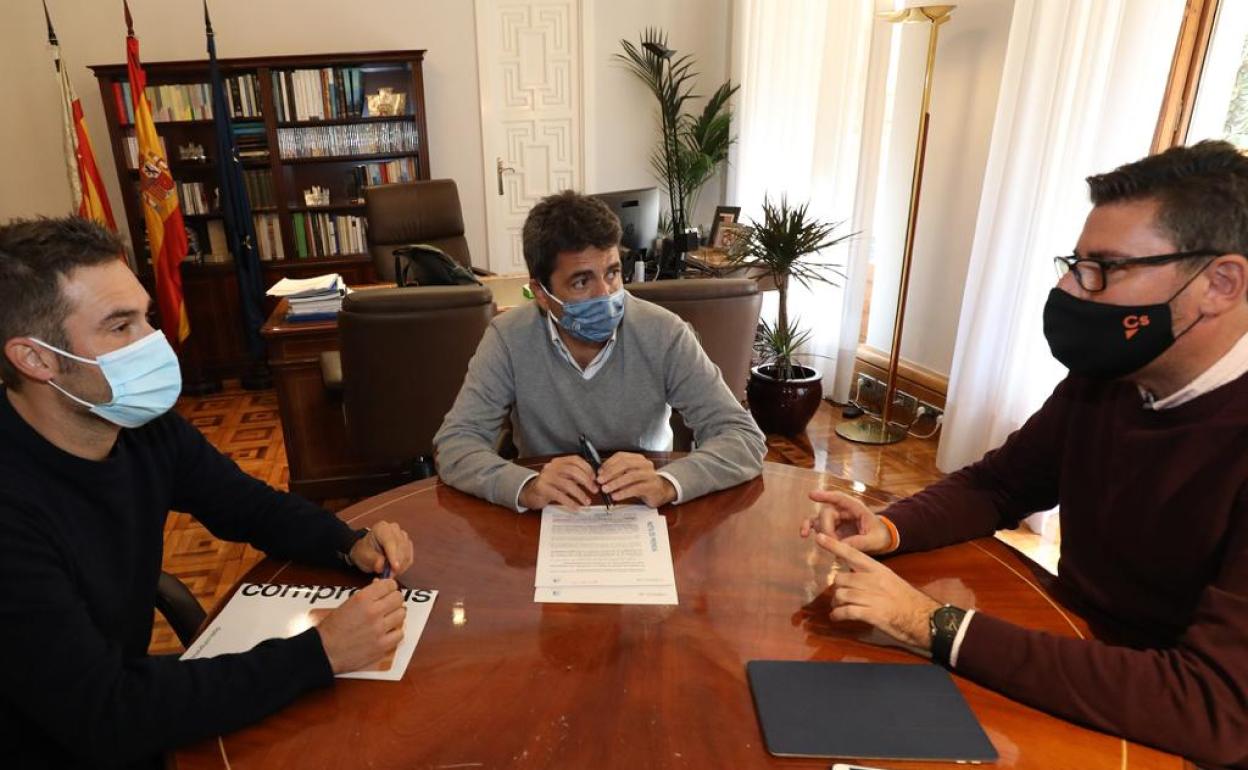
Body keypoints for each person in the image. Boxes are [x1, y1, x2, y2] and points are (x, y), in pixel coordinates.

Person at [799, 140, 1248, 769]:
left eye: (1105, 268)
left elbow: (1215, 707)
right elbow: (1001, 485)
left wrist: (934, 624)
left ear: (1220, 283)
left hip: (1161, 732)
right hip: (1073, 658)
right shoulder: (1109, 378)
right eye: (1075, 263)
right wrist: (892, 527)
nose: (1071, 287)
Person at [0, 217, 417, 769]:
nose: (154, 342)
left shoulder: (142, 429)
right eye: (120, 327)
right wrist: (319, 653)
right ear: (35, 359)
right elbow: (104, 712)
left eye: (147, 316)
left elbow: (249, 506)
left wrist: (348, 541)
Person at [434, 190, 766, 512]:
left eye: (612, 273)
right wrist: (525, 486)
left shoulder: (665, 332)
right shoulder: (507, 339)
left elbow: (743, 438)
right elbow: (455, 445)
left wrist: (668, 481)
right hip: (549, 512)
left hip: (648, 507)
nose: (605, 295)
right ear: (540, 292)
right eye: (581, 282)